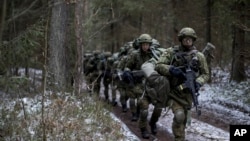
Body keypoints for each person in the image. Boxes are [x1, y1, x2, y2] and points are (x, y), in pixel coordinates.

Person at [153, 27, 209, 141]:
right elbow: (158, 65)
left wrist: (198, 82)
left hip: (188, 94)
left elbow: (206, 74)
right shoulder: (171, 52)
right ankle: (178, 138)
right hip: (174, 92)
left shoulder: (199, 56)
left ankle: (180, 137)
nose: (188, 41)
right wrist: (171, 70)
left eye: (190, 39)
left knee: (183, 120)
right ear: (181, 39)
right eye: (185, 39)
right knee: (179, 116)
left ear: (193, 40)